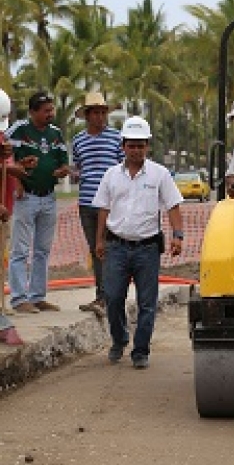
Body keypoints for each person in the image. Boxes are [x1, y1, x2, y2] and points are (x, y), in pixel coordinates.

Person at [93, 116, 184, 369]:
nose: (136, 150)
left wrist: (178, 236)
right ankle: (119, 338)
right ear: (123, 146)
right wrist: (99, 240)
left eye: (140, 145)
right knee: (112, 297)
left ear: (147, 146)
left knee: (147, 302)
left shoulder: (160, 174)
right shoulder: (111, 176)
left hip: (147, 248)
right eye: (131, 145)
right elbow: (103, 209)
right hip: (116, 247)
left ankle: (140, 350)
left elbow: (173, 206)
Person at [5, 91, 70, 314]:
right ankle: (18, 298)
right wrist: (17, 179)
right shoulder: (19, 130)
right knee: (20, 250)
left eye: (51, 109)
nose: (50, 114)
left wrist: (62, 171)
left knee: (42, 250)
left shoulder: (56, 134)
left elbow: (64, 163)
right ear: (32, 112)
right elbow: (5, 155)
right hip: (26, 197)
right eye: (45, 110)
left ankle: (38, 296)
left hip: (48, 197)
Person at [72, 91, 125, 318]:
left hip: (111, 203)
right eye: (96, 113)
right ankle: (101, 295)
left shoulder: (116, 138)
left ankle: (112, 296)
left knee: (112, 249)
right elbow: (78, 169)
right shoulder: (78, 141)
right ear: (87, 116)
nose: (101, 117)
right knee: (96, 250)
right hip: (86, 202)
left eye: (104, 112)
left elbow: (123, 169)